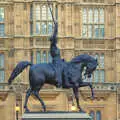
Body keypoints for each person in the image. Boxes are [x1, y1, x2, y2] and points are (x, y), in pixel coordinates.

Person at [49, 22, 63, 87]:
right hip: (56, 61)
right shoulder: (53, 46)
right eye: (55, 39)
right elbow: (55, 35)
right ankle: (58, 81)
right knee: (59, 69)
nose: (57, 39)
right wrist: (56, 27)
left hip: (59, 60)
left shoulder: (55, 47)